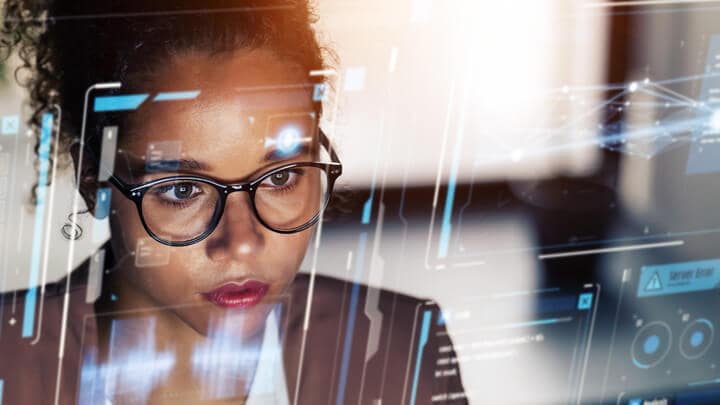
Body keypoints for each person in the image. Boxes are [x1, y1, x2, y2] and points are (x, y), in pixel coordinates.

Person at [0, 1, 467, 404]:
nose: (242, 244)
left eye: (280, 176)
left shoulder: (397, 350)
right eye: (182, 189)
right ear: (95, 182)